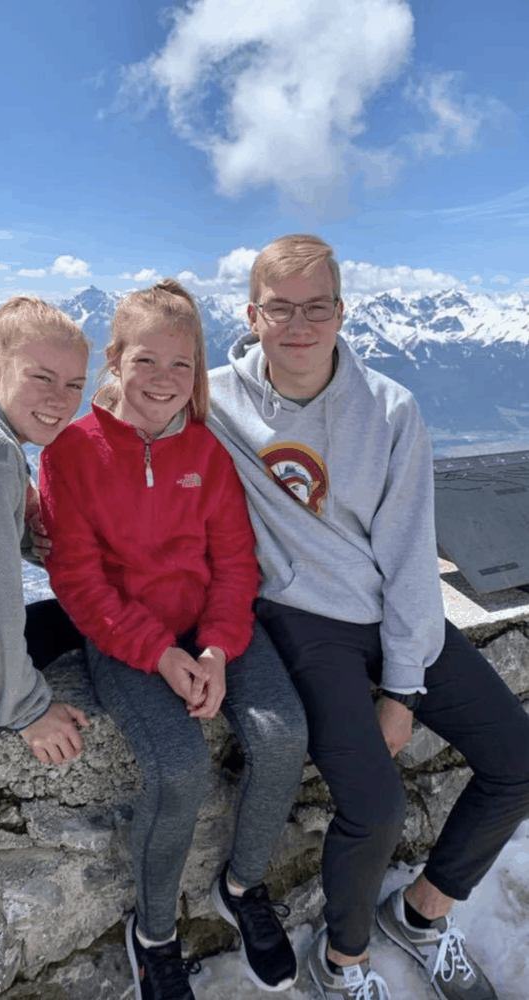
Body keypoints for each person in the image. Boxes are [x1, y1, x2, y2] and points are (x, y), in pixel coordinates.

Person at [207, 234, 529, 1000]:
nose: (298, 325)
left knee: (515, 760)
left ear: (342, 312)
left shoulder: (390, 408)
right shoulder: (211, 397)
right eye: (279, 308)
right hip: (301, 621)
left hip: (391, 608)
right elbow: (124, 412)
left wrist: (403, 686)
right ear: (251, 314)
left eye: (316, 307)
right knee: (375, 805)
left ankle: (420, 914)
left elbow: (411, 553)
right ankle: (344, 960)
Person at [38, 280, 308, 1000]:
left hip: (215, 628)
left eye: (180, 365)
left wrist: (217, 647)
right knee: (180, 770)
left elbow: (234, 564)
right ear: (115, 362)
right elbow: (80, 580)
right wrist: (161, 652)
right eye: (146, 361)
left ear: (197, 372)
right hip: (126, 638)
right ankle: (154, 932)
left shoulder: (205, 451)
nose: (163, 380)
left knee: (283, 736)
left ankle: (242, 885)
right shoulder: (72, 453)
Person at [0, 296, 91, 765]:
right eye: (42, 377)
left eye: (75, 384)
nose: (60, 399)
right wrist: (28, 708)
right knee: (75, 623)